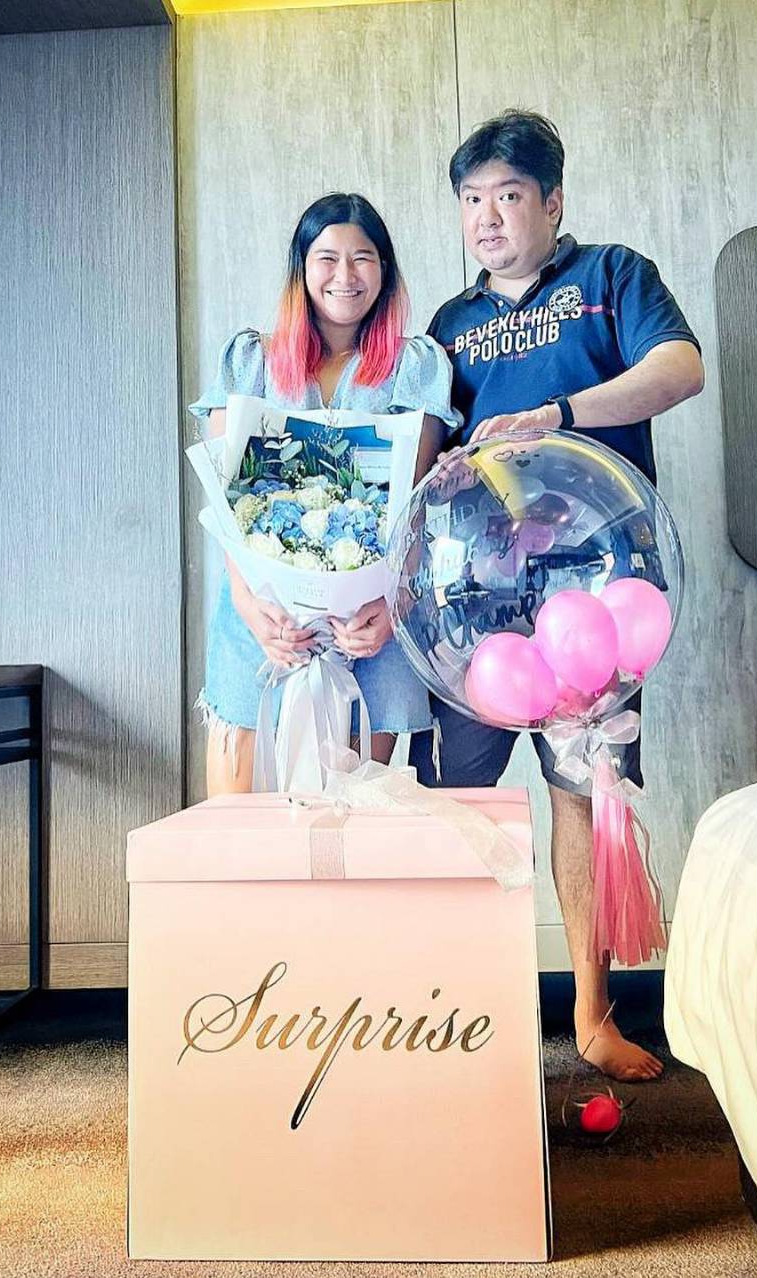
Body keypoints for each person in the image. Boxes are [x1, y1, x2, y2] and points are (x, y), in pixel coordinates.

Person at [409, 111, 705, 1082]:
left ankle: (591, 1014)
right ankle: (454, 1011)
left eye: (507, 196)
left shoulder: (611, 278)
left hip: (597, 595)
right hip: (472, 611)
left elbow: (680, 368)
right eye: (471, 200)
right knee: (457, 801)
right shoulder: (449, 327)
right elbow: (422, 450)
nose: (487, 218)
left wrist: (560, 415)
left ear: (552, 201)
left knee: (582, 796)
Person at [190, 193, 458, 795]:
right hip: (261, 619)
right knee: (235, 822)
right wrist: (251, 607)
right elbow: (225, 501)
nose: (345, 275)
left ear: (384, 270)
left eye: (363, 258)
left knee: (349, 823)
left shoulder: (415, 365)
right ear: (302, 267)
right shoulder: (250, 360)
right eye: (327, 258)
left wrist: (389, 607)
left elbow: (419, 506)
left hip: (367, 626)